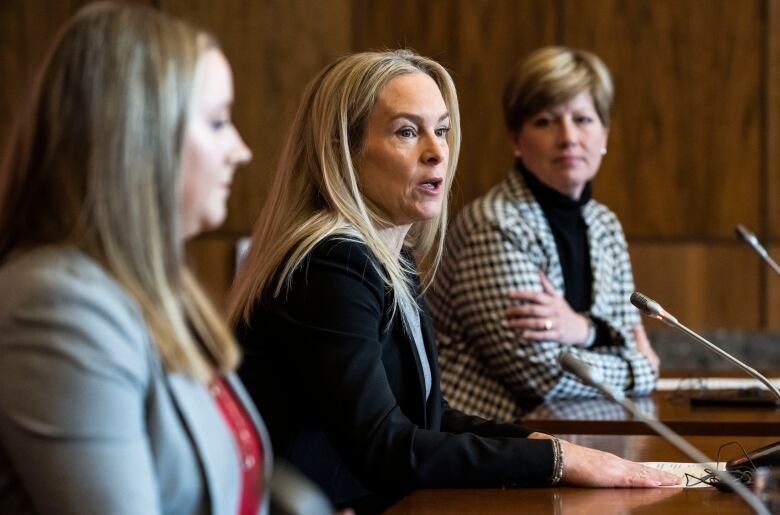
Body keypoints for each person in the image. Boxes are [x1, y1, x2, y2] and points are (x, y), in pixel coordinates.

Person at [229, 49, 678, 513]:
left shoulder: (390, 258)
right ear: (344, 149)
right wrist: (556, 458)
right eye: (408, 131)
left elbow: (431, 418)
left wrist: (545, 445)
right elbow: (384, 447)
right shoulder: (332, 264)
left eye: (441, 130)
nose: (437, 150)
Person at [0, 3, 268, 514]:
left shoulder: (159, 288)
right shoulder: (55, 307)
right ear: (140, 136)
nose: (241, 149)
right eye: (217, 122)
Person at [427, 46, 661, 422]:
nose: (568, 137)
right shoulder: (495, 224)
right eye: (545, 121)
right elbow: (543, 374)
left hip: (581, 429)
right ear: (516, 139)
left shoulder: (605, 225)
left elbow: (624, 331)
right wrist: (641, 370)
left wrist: (584, 330)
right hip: (485, 444)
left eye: (583, 119)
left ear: (604, 133)